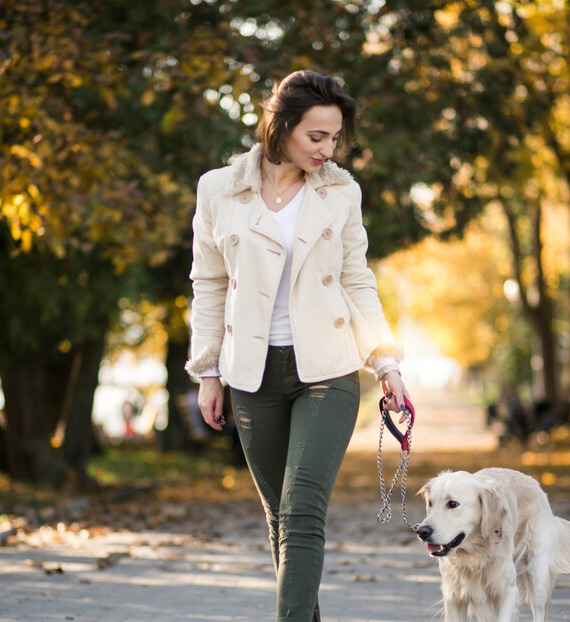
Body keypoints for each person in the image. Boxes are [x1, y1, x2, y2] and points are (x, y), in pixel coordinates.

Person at [184, 70, 411, 622]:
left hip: (327, 373)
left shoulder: (341, 192)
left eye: (334, 138)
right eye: (316, 136)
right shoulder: (219, 188)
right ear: (281, 126)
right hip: (251, 376)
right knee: (280, 520)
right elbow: (209, 283)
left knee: (303, 508)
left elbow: (357, 280)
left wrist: (386, 361)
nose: (327, 149)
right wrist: (208, 372)